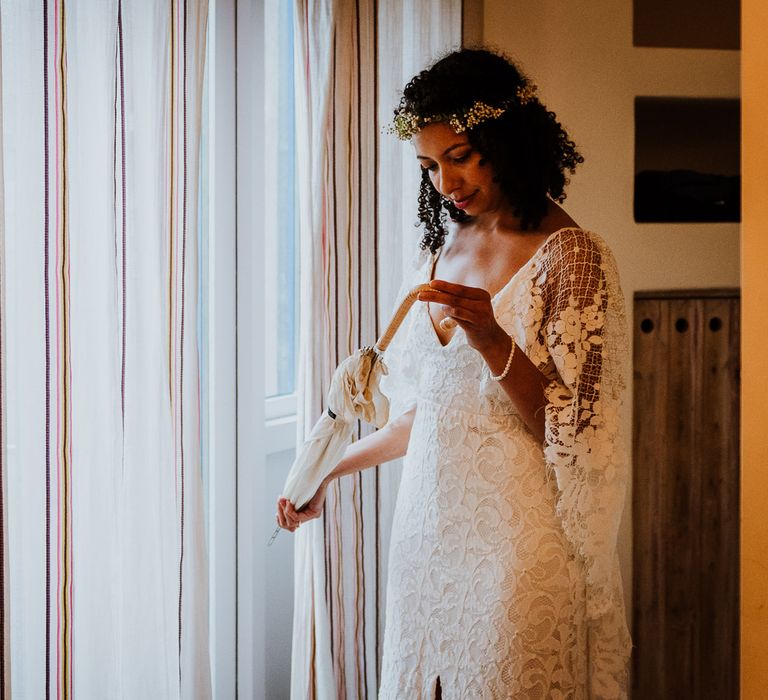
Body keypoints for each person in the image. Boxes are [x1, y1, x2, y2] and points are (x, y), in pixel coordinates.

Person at [277, 48, 631, 699]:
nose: (446, 183)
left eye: (460, 155)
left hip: (517, 553)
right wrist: (327, 472)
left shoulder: (572, 257)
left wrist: (495, 340)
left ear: (507, 139)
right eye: (429, 165)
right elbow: (431, 415)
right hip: (425, 545)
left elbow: (580, 437)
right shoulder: (449, 245)